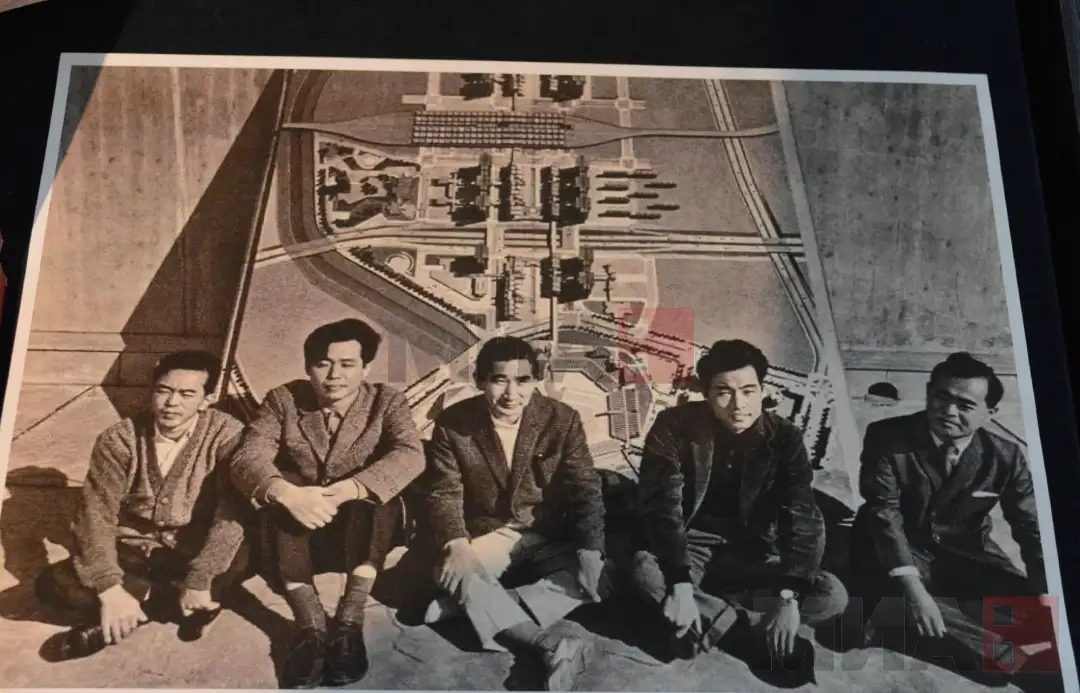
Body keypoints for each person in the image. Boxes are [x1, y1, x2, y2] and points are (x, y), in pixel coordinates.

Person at [225, 318, 424, 688]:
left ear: (366, 368)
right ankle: (311, 626)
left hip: (361, 534)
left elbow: (409, 454)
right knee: (282, 488)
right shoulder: (283, 400)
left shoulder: (386, 401)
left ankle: (350, 619)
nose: (334, 375)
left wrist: (353, 488)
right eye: (323, 364)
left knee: (380, 494)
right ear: (307, 367)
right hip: (300, 536)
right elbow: (248, 456)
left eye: (347, 364)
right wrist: (289, 494)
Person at [632, 339, 847, 673]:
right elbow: (663, 507)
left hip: (753, 551)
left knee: (832, 595)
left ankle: (708, 620)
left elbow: (803, 515)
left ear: (763, 390)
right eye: (724, 392)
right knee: (645, 570)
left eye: (749, 391)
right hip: (691, 545)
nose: (738, 405)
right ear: (706, 393)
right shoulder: (673, 425)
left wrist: (789, 598)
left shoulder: (785, 437)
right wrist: (680, 581)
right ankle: (742, 629)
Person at [850, 352, 1057, 684]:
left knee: (1039, 620)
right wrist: (913, 589)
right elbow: (883, 511)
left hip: (967, 555)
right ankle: (1010, 660)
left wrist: (1047, 591)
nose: (948, 411)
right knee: (988, 653)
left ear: (989, 413)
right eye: (941, 397)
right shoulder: (887, 436)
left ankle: (903, 618)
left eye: (964, 405)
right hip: (894, 552)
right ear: (929, 392)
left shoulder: (1005, 456)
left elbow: (1031, 526)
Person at [422, 336, 609, 691]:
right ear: (479, 381)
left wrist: (589, 551)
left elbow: (586, 489)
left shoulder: (562, 419)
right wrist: (457, 544)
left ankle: (477, 605)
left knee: (603, 576)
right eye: (499, 380)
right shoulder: (453, 423)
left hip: (550, 535)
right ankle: (550, 645)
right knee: (448, 571)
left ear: (537, 380)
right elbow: (444, 491)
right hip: (491, 533)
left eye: (523, 380)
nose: (512, 393)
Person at [35, 351, 248, 658]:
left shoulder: (227, 435)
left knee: (235, 559)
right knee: (52, 585)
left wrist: (201, 576)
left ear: (208, 399)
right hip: (137, 549)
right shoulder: (119, 440)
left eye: (187, 394)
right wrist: (109, 589)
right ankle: (169, 604)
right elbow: (95, 514)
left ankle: (130, 614)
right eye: (164, 390)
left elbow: (230, 514)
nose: (171, 402)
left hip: (196, 548)